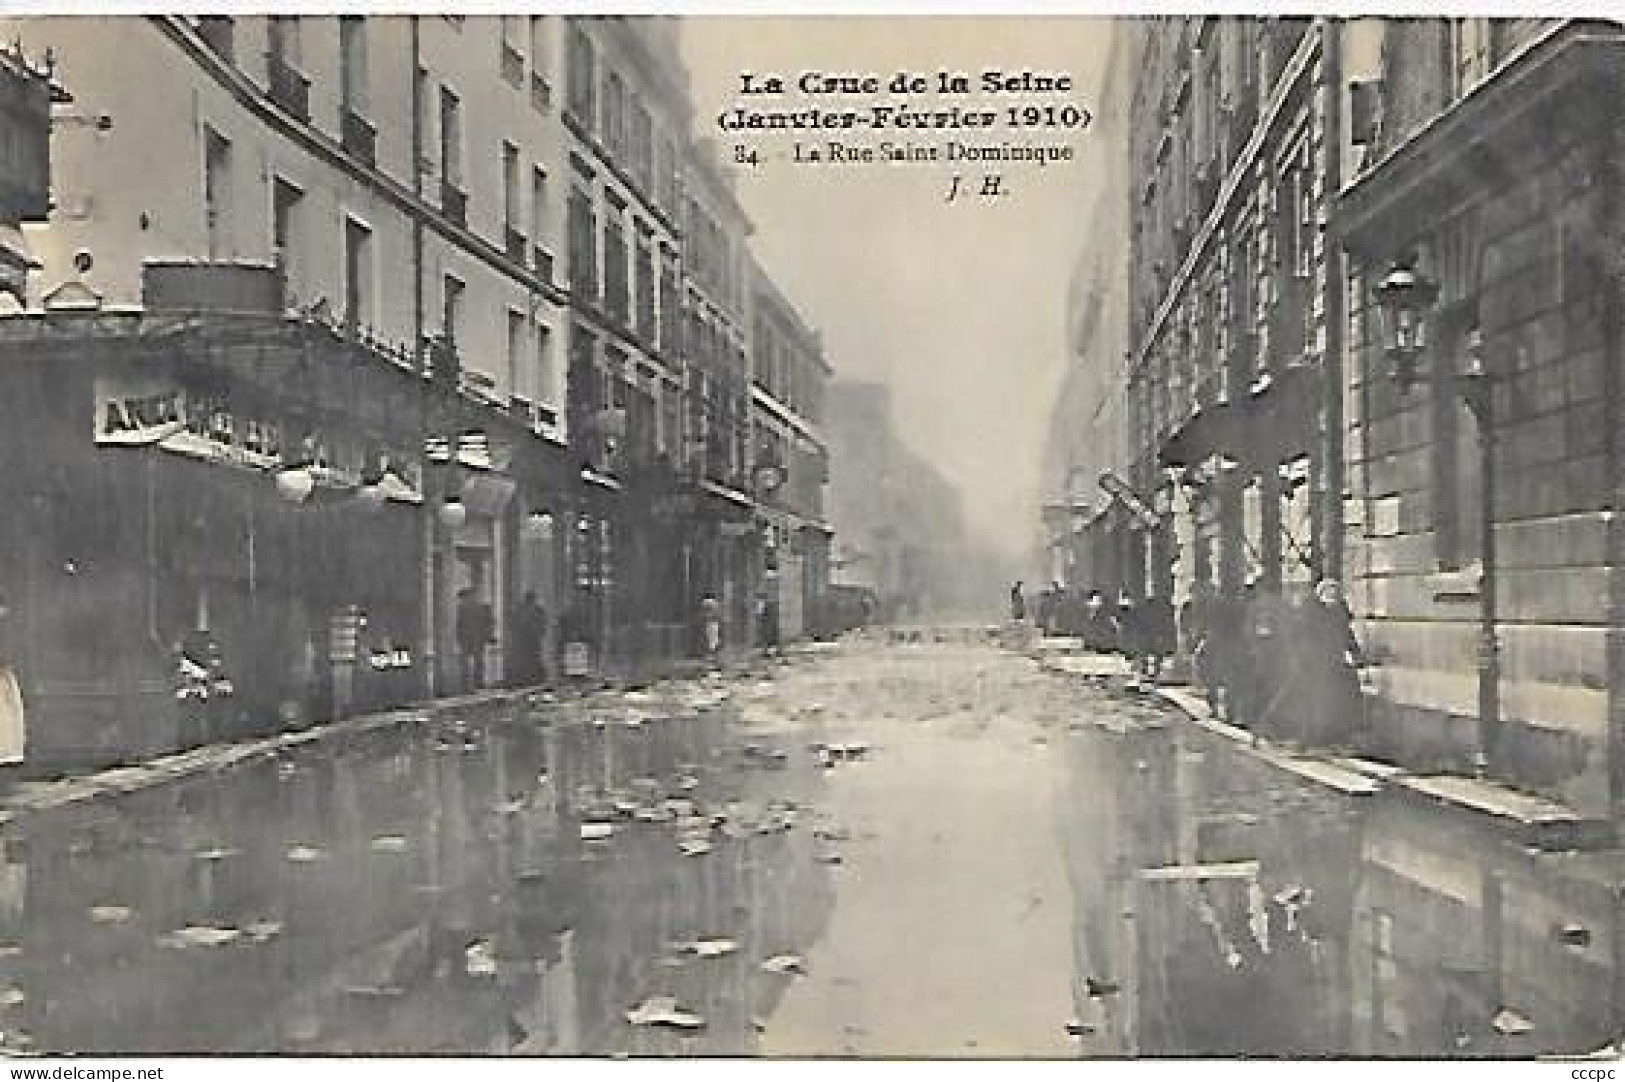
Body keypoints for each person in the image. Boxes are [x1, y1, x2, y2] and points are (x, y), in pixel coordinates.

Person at [1295, 579, 1365, 749]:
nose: (1331, 595)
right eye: (1328, 592)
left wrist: (1356, 653)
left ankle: (1333, 736)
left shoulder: (1339, 613)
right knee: (1314, 702)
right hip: (1314, 665)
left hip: (1334, 663)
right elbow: (1302, 637)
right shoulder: (1309, 612)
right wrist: (1305, 657)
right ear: (1321, 594)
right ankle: (1311, 737)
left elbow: (1347, 635)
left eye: (1334, 593)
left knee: (1334, 702)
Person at [455, 587, 494, 693]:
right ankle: (477, 683)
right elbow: (489, 622)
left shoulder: (462, 608)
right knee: (477, 662)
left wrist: (459, 638)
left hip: (468, 639)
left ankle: (469, 685)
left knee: (468, 663)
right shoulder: (482, 607)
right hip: (476, 639)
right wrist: (489, 635)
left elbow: (459, 625)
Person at [511, 590, 548, 687]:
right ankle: (532, 679)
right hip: (530, 640)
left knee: (529, 660)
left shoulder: (521, 610)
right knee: (532, 659)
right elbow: (542, 625)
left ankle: (529, 679)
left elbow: (514, 625)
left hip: (527, 641)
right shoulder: (536, 611)